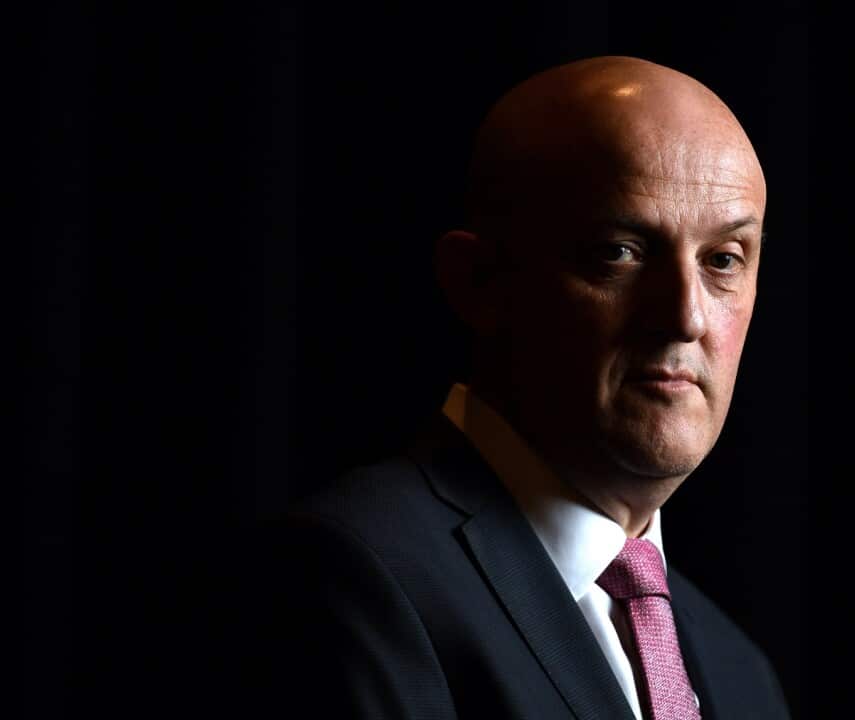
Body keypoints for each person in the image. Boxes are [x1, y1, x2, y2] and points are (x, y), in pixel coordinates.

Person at [258, 55, 790, 720]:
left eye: (723, 261)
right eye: (619, 251)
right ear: (478, 281)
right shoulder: (349, 575)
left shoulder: (742, 675)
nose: (685, 316)